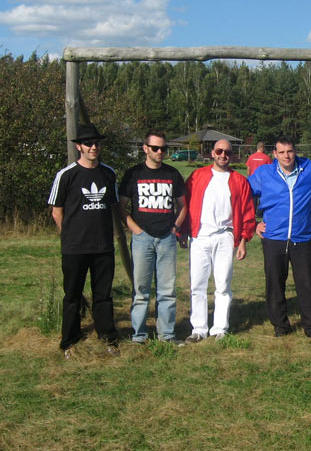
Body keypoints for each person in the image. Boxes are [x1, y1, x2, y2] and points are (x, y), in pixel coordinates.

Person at [249, 136, 311, 337]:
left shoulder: (310, 169)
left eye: (290, 151)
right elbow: (243, 193)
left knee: (305, 283)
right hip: (273, 237)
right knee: (275, 283)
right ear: (274, 154)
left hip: (301, 237)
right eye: (282, 152)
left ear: (295, 151)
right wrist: (252, 223)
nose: (286, 156)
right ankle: (280, 324)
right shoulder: (264, 173)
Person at [48, 124, 121, 359]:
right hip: (74, 248)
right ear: (79, 146)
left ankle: (108, 337)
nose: (93, 147)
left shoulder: (108, 173)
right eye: (88, 144)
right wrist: (69, 235)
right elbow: (56, 211)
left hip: (103, 247)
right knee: (72, 296)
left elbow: (113, 207)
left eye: (97, 143)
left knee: (103, 295)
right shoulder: (66, 175)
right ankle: (69, 340)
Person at [182, 139, 256, 343]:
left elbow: (248, 212)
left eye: (228, 152)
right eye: (219, 151)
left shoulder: (239, 181)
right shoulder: (197, 176)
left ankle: (220, 329)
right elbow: (185, 205)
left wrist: (243, 241)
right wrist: (182, 232)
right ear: (212, 153)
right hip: (200, 236)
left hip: (225, 237)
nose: (223, 155)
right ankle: (198, 328)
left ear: (232, 156)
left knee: (223, 284)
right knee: (197, 284)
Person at [119, 130, 187, 344]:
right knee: (141, 290)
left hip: (167, 238)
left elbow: (183, 205)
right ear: (145, 149)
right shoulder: (133, 174)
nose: (160, 152)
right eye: (156, 148)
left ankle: (166, 334)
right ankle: (138, 335)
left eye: (163, 148)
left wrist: (175, 226)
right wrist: (135, 229)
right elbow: (120, 207)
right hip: (142, 239)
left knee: (167, 290)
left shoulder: (172, 174)